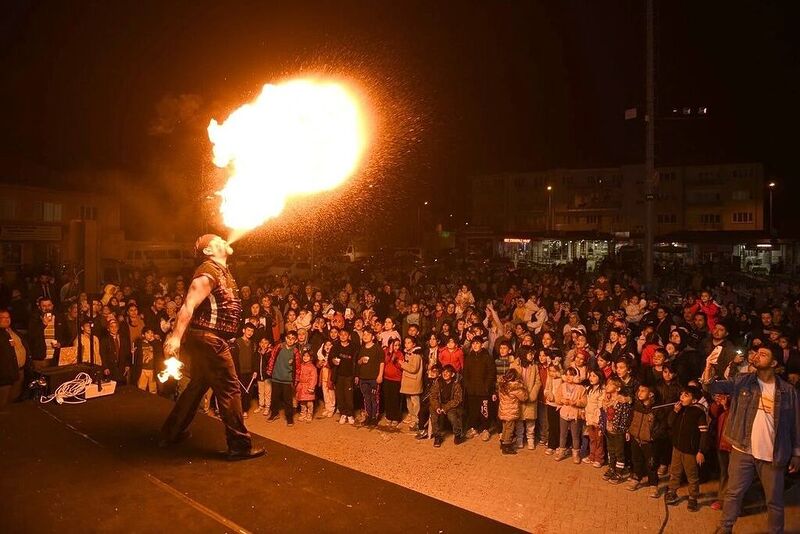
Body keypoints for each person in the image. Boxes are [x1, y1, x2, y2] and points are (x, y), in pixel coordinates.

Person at [159, 234, 264, 461]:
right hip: (210, 339)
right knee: (229, 388)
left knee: (198, 385)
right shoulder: (208, 272)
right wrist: (176, 337)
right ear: (207, 251)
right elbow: (188, 305)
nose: (224, 240)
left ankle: (171, 432)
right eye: (216, 240)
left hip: (208, 338)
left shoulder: (221, 271)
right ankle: (239, 445)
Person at [710, 346, 800, 534]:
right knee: (733, 493)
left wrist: (796, 453)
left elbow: (795, 424)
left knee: (774, 501)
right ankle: (725, 528)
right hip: (743, 450)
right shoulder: (743, 381)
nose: (757, 355)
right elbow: (713, 386)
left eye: (764, 354)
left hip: (772, 454)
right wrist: (709, 366)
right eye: (757, 352)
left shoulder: (788, 391)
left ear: (774, 363)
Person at [664, 385, 709, 512]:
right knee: (675, 471)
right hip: (677, 448)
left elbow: (704, 433)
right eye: (681, 394)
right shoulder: (680, 410)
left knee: (692, 475)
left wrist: (701, 451)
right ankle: (672, 491)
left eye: (686, 395)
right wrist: (675, 411)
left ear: (694, 400)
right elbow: (670, 423)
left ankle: (693, 497)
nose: (682, 397)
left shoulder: (699, 413)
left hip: (691, 451)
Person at [627, 383, 664, 498]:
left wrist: (654, 436)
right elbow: (630, 419)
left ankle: (653, 484)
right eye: (639, 390)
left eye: (643, 390)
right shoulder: (636, 406)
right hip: (635, 438)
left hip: (649, 442)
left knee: (651, 464)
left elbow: (662, 425)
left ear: (651, 394)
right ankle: (637, 477)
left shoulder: (656, 409)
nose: (639, 393)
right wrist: (629, 431)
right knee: (636, 460)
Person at [463, 336, 497, 442]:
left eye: (477, 343)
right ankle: (473, 428)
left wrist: (487, 386)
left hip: (484, 391)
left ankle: (485, 429)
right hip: (472, 391)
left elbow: (491, 373)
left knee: (484, 411)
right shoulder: (469, 358)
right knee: (473, 410)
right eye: (473, 344)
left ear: (482, 345)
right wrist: (468, 386)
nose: (475, 346)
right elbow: (465, 374)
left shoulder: (487, 358)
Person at [268, 330, 301, 425]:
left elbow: (298, 367)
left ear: (296, 340)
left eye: (293, 339)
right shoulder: (279, 347)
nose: (290, 340)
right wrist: (270, 371)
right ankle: (274, 413)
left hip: (287, 379)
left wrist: (296, 380)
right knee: (274, 397)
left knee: (288, 400)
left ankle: (289, 417)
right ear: (286, 338)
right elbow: (272, 358)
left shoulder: (295, 352)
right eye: (288, 338)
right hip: (276, 377)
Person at [429, 364, 465, 447]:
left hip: (450, 406)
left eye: (447, 372)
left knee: (452, 416)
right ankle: (437, 436)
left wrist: (445, 408)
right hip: (439, 404)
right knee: (433, 415)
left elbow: (457, 400)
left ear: (452, 374)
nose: (445, 374)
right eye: (443, 372)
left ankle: (457, 435)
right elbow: (433, 396)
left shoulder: (456, 385)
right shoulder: (438, 383)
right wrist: (437, 407)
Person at [355, 329, 384, 426]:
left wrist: (380, 375)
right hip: (363, 378)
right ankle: (368, 416)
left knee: (374, 398)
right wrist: (361, 360)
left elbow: (382, 362)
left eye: (368, 334)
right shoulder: (361, 348)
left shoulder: (377, 348)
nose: (365, 336)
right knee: (366, 398)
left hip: (374, 378)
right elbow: (358, 362)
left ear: (373, 337)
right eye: (364, 334)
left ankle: (374, 417)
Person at [497, 368, 527, 455]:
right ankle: (507, 446)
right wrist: (523, 386)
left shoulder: (502, 385)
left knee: (505, 428)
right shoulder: (515, 388)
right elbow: (524, 397)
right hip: (511, 412)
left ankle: (502, 442)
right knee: (510, 429)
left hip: (503, 411)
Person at [399, 336, 424, 431]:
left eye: (409, 343)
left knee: (415, 402)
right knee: (408, 400)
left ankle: (416, 419)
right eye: (405, 343)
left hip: (414, 382)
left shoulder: (416, 355)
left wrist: (402, 364)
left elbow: (414, 369)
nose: (406, 344)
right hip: (407, 382)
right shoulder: (408, 354)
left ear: (414, 344)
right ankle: (411, 415)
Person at [295, 350, 317, 422]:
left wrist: (311, 387)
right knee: (302, 402)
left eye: (307, 356)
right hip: (301, 386)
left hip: (308, 386)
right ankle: (303, 414)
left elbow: (313, 378)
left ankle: (309, 414)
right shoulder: (301, 365)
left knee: (309, 402)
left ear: (311, 357)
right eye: (304, 356)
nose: (305, 357)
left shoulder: (312, 367)